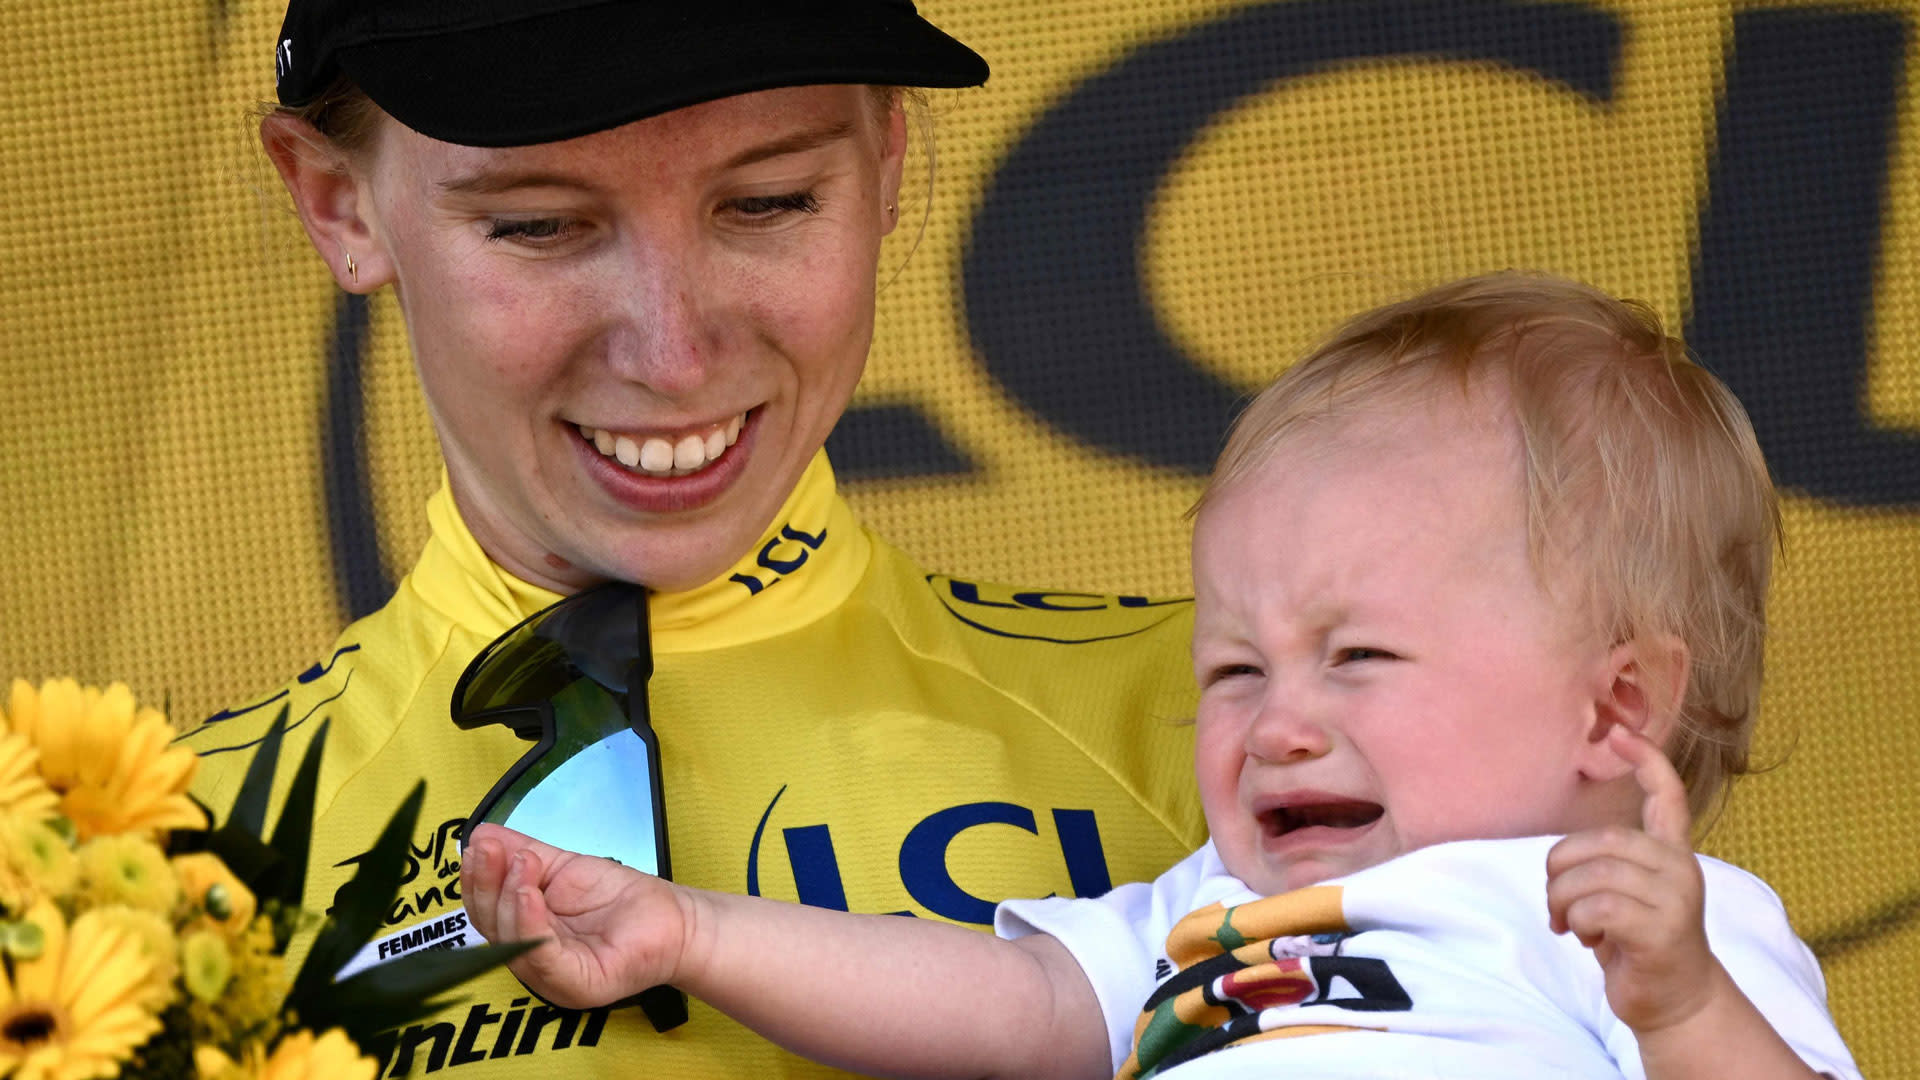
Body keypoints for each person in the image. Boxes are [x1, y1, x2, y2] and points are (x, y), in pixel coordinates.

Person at [461, 272, 1862, 1080]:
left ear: (1616, 710)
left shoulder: (1652, 937)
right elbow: (1004, 1010)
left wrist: (1680, 1009)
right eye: (1235, 667)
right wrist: (690, 934)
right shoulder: (1215, 914)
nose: (1274, 726)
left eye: (1357, 657)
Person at [177, 1, 1207, 1076]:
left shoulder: (1259, 745)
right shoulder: (139, 869)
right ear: (339, 204)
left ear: (889, 159)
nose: (671, 356)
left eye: (770, 201)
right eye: (537, 222)